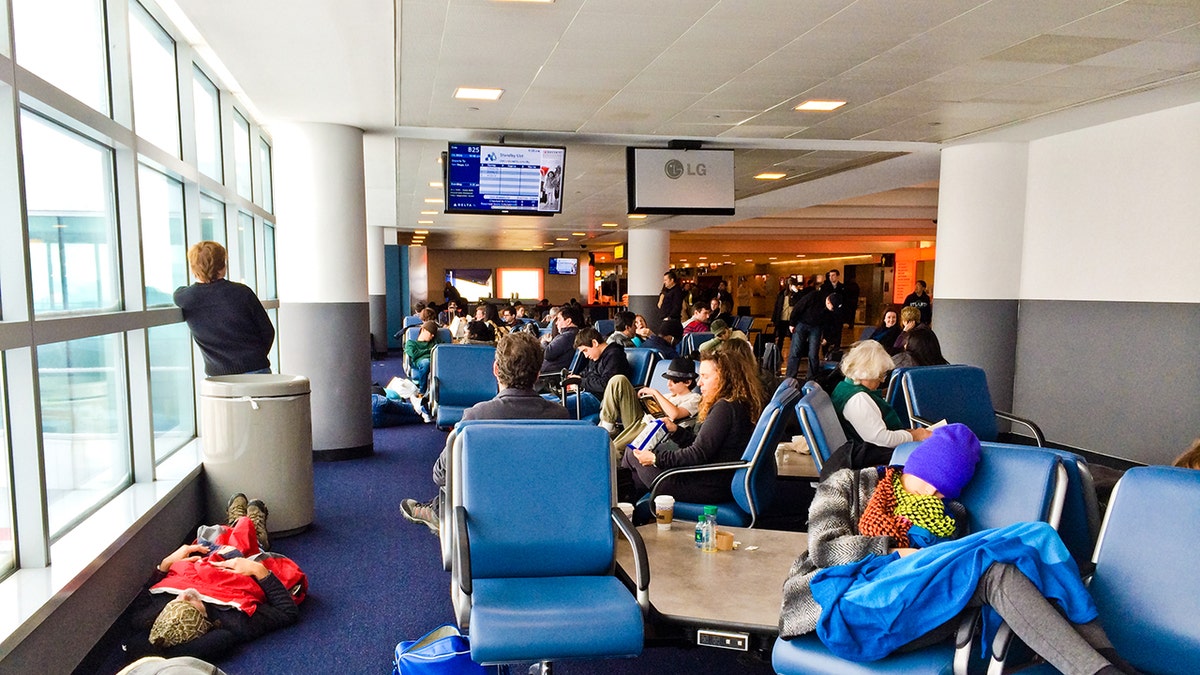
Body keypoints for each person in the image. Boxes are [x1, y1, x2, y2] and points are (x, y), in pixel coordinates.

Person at [779, 425, 1138, 675]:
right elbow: (825, 549)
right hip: (845, 604)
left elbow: (944, 583)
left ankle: (1105, 663)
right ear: (917, 465)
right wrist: (897, 552)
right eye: (932, 483)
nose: (935, 497)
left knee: (1009, 562)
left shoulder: (951, 516)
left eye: (945, 491)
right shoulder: (849, 484)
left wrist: (924, 553)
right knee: (1015, 546)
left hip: (911, 612)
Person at [401, 332, 570, 532]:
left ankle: (438, 510)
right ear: (538, 374)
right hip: (544, 514)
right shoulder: (561, 416)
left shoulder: (476, 417)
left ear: (496, 369)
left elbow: (440, 475)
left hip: (486, 516)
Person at [121, 495, 306, 662]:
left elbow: (148, 592)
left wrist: (165, 564)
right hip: (237, 566)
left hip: (202, 560)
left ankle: (236, 521)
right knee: (246, 543)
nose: (185, 594)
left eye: (176, 601)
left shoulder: (148, 615)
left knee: (210, 536)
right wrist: (257, 570)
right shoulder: (235, 622)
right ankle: (253, 529)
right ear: (204, 620)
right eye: (190, 604)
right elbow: (287, 613)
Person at [620, 348, 767, 512]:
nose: (699, 383)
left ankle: (628, 510)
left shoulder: (725, 408)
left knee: (632, 453)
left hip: (706, 487)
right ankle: (635, 508)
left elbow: (697, 454)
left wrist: (656, 458)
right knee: (634, 473)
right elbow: (704, 445)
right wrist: (676, 431)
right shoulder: (737, 403)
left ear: (725, 377)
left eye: (705, 376)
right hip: (715, 479)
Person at [825, 340, 931, 474]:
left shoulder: (845, 387)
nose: (881, 380)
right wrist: (914, 436)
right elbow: (882, 440)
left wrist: (908, 433)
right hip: (875, 460)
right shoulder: (858, 399)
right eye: (880, 375)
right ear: (866, 373)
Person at [173, 241, 274, 377]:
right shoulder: (242, 292)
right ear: (222, 267)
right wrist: (255, 357)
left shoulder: (186, 297)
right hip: (256, 370)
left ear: (193, 268)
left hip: (218, 378)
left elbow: (178, 292)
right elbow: (267, 331)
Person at [600, 357, 702, 459]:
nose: (668, 384)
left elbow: (675, 414)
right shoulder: (667, 396)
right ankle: (607, 428)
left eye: (674, 381)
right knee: (618, 379)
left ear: (687, 382)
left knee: (612, 449)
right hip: (642, 419)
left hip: (653, 428)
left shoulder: (694, 398)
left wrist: (655, 393)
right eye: (668, 380)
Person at [556, 326, 632, 420]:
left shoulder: (615, 356)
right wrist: (576, 378)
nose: (586, 355)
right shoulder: (596, 357)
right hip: (587, 394)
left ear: (594, 343)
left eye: (585, 350)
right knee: (549, 401)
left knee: (555, 408)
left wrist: (580, 381)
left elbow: (606, 385)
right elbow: (587, 372)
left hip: (597, 399)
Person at [540, 305, 581, 373]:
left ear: (568, 321)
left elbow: (547, 354)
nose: (556, 323)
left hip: (548, 375)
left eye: (559, 319)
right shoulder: (575, 334)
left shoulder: (566, 336)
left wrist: (544, 342)